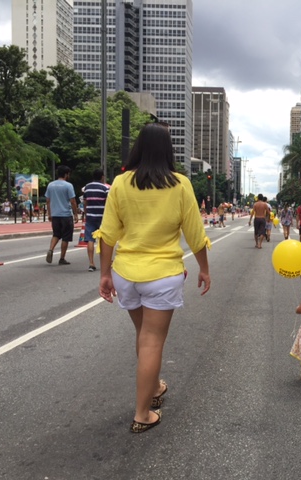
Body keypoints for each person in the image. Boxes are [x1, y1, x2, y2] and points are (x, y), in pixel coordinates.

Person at [96, 123, 211, 433]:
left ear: (139, 147)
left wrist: (105, 274)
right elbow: (195, 233)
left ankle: (156, 388)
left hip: (126, 273)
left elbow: (107, 234)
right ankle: (142, 413)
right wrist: (204, 268)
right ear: (168, 150)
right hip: (162, 274)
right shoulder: (180, 184)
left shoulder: (120, 183)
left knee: (143, 335)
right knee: (152, 341)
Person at [45, 165, 79, 265]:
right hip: (66, 215)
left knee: (56, 234)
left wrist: (50, 213)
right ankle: (62, 258)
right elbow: (72, 201)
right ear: (66, 174)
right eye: (68, 174)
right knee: (66, 237)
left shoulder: (50, 185)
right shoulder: (68, 186)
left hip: (55, 215)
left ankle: (51, 249)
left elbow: (48, 200)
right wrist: (76, 214)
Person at [82, 168, 110, 272]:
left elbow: (85, 202)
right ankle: (105, 263)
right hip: (102, 217)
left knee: (90, 239)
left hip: (90, 216)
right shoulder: (105, 188)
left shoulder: (87, 187)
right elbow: (108, 203)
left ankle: (91, 263)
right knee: (103, 240)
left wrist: (86, 213)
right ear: (102, 176)